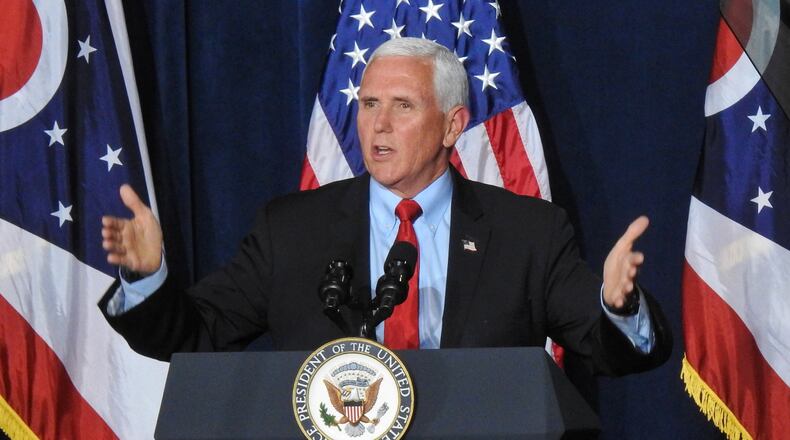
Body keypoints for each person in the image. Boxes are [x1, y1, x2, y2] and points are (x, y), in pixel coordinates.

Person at [99, 38, 670, 375]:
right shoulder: (291, 230)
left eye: (403, 106)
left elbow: (611, 347)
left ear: (453, 125)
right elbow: (193, 336)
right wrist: (146, 279)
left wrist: (618, 306)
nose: (378, 124)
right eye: (369, 103)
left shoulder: (527, 232)